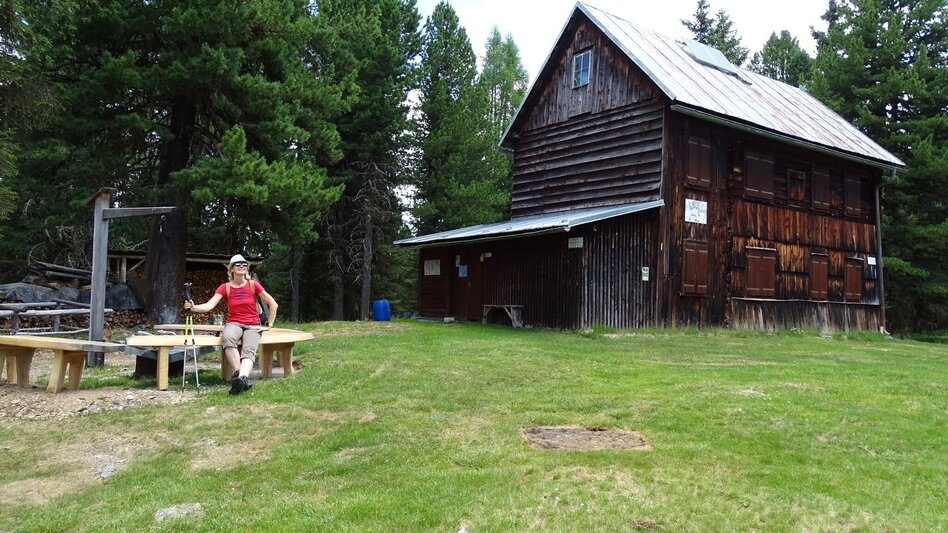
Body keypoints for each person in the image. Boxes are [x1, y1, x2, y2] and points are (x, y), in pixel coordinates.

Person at [184, 254, 278, 395]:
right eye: (238, 264)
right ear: (231, 269)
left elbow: (273, 304)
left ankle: (241, 378)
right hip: (234, 323)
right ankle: (242, 376)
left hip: (253, 324)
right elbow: (210, 305)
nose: (242, 266)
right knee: (227, 338)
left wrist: (268, 325)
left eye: (244, 265)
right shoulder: (225, 287)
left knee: (249, 348)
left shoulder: (253, 284)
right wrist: (193, 307)